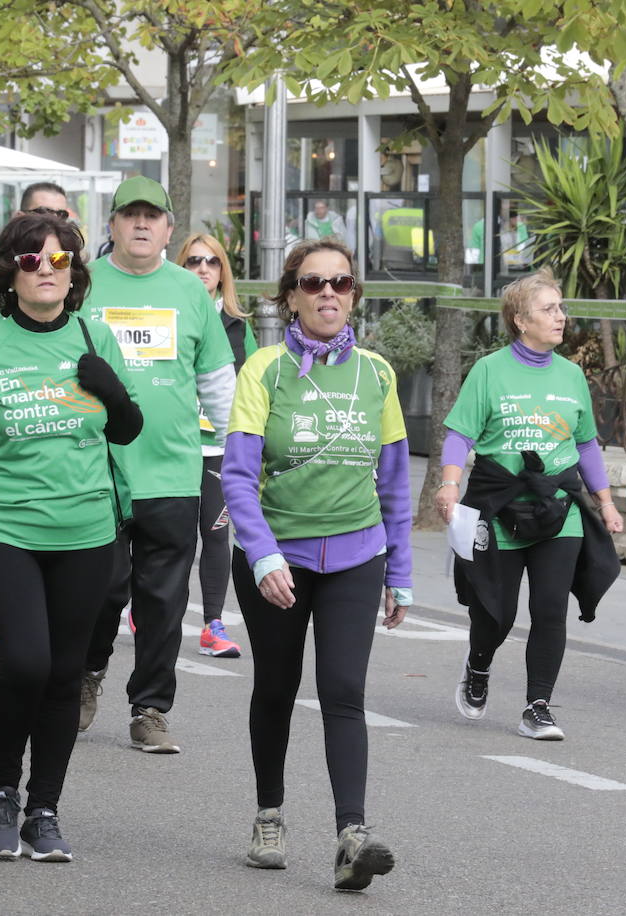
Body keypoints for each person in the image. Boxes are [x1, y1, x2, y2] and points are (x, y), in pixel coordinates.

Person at [0, 212, 142, 862]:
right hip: (6, 529)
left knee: (62, 674)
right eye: (33, 261)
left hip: (86, 532)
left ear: (74, 271)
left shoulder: (95, 339)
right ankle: (3, 789)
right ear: (11, 272)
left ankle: (44, 810)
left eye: (59, 260)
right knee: (24, 662)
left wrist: (111, 393)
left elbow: (128, 430)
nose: (47, 271)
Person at [222, 237, 410, 889]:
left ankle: (351, 836)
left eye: (341, 282)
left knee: (344, 691)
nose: (327, 293)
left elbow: (393, 486)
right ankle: (269, 815)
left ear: (354, 294)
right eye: (312, 283)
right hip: (277, 557)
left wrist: (402, 572)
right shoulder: (264, 371)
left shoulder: (378, 374)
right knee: (276, 688)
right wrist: (264, 552)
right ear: (291, 296)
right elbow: (239, 478)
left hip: (356, 555)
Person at [77, 176, 235, 754]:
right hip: (98, 470)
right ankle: (88, 673)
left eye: (152, 216)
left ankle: (150, 708)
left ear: (169, 228)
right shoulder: (84, 285)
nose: (141, 225)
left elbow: (218, 382)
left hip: (173, 471)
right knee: (100, 590)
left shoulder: (190, 292)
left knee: (164, 602)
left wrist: (239, 456)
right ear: (113, 225)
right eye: (130, 215)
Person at [437, 268, 623, 741]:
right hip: (500, 507)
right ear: (521, 320)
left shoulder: (571, 375)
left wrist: (605, 502)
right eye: (549, 309)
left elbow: (586, 445)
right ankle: (479, 665)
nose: (560, 316)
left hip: (559, 509)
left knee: (549, 610)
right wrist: (449, 484)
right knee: (495, 613)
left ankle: (537, 706)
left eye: (561, 308)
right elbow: (460, 432)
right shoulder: (489, 371)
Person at [175, 232, 256, 660]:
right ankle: (147, 604)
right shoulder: (168, 315)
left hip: (218, 448)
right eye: (193, 261)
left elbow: (254, 387)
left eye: (212, 261)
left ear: (223, 271)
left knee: (216, 533)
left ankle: (212, 624)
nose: (203, 268)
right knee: (173, 537)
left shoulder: (239, 327)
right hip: (172, 447)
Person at [0, 182, 71, 290]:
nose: (54, 220)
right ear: (19, 217)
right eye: (44, 212)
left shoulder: (71, 258)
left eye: (62, 214)